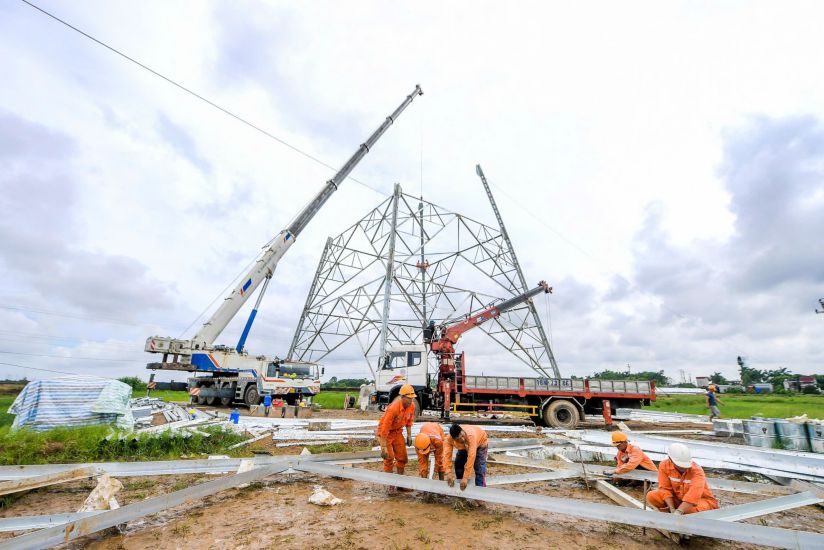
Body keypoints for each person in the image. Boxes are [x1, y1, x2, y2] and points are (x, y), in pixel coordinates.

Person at [646, 443, 719, 514]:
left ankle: (680, 511)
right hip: (679, 499)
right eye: (680, 466)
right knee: (652, 496)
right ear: (670, 459)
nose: (683, 468)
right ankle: (673, 510)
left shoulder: (697, 471)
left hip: (701, 501)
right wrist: (672, 508)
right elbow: (665, 489)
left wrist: (679, 511)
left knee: (689, 511)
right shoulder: (664, 465)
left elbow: (693, 496)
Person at [376, 385, 417, 478]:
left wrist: (409, 436)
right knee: (389, 457)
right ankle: (390, 484)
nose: (411, 400)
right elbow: (384, 429)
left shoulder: (412, 406)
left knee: (402, 457)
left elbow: (409, 422)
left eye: (412, 398)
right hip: (386, 434)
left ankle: (400, 483)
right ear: (402, 397)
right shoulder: (393, 409)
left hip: (398, 432)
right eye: (409, 398)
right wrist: (383, 447)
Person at [444, 423, 488, 490]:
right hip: (464, 446)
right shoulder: (448, 439)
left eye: (462, 436)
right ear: (454, 439)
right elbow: (447, 455)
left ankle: (480, 491)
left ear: (462, 431)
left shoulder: (471, 436)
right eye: (458, 439)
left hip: (480, 443)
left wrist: (466, 477)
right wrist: (448, 472)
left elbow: (471, 456)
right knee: (458, 463)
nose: (462, 439)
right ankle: (461, 486)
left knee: (479, 467)